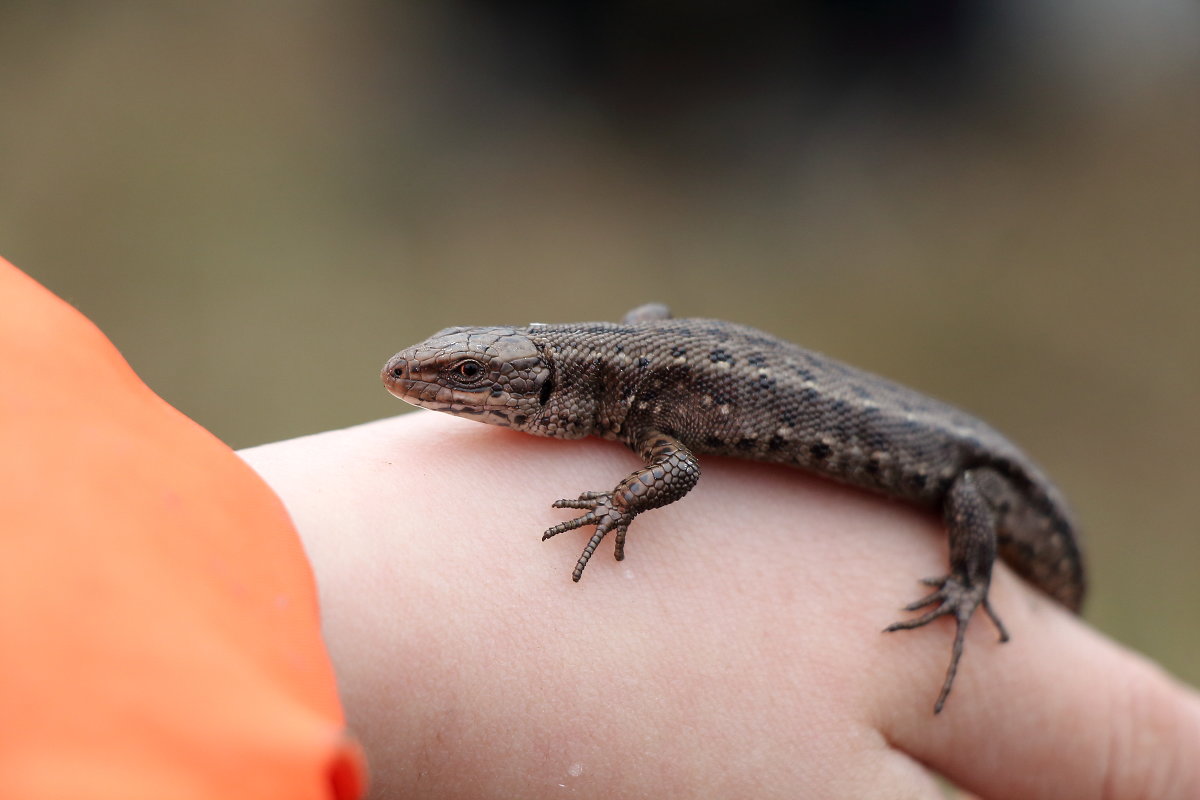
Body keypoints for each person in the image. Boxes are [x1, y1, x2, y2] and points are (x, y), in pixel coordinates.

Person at [5, 256, 1198, 798]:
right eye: (454, 373)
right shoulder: (612, 383)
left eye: (467, 376)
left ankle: (961, 591)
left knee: (966, 533)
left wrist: (618, 500)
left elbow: (676, 468)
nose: (432, 384)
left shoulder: (639, 415)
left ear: (535, 384)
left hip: (969, 470)